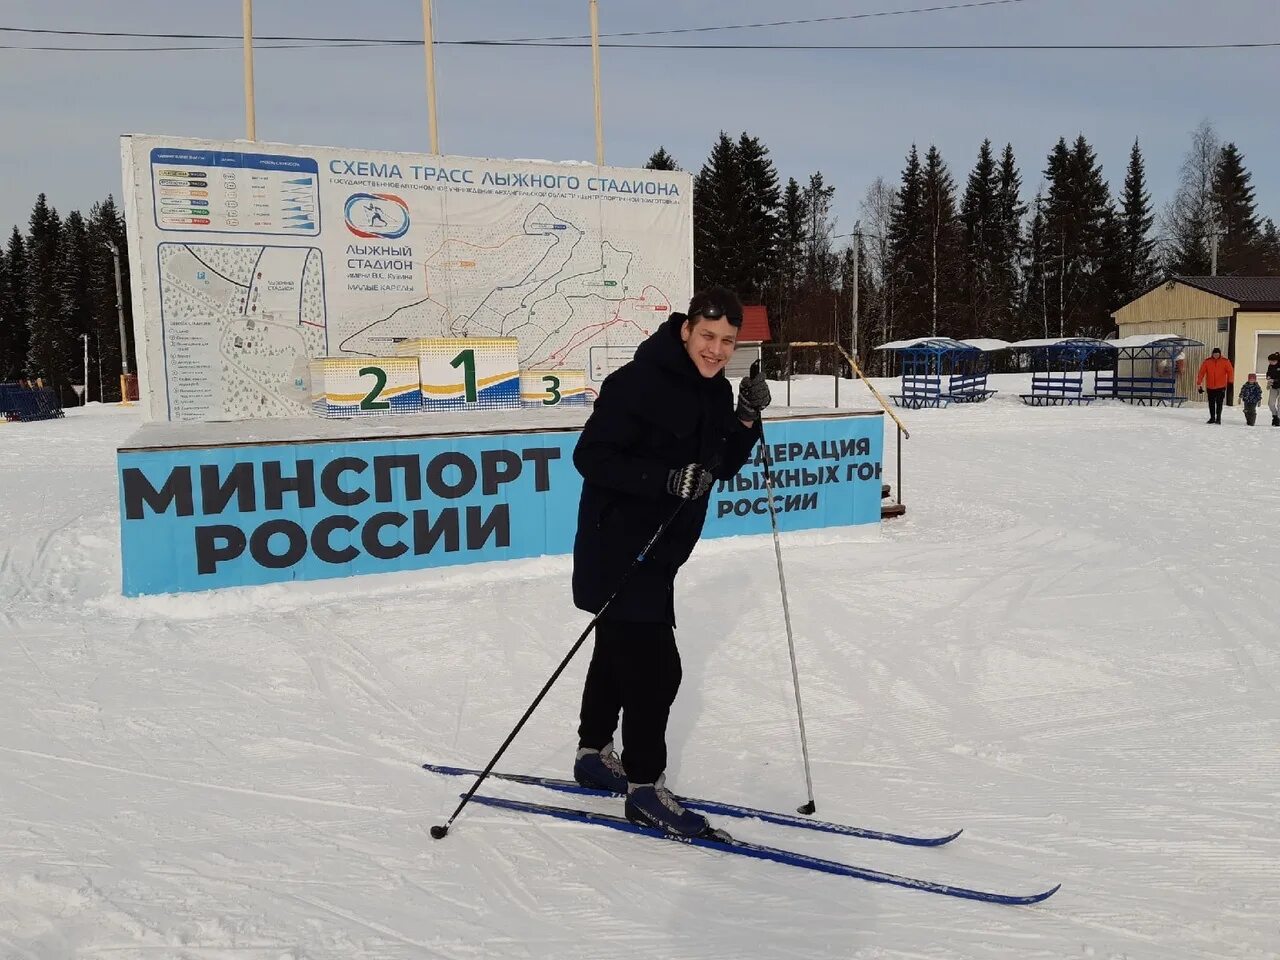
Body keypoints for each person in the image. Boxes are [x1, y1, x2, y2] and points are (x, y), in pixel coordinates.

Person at [570, 286, 771, 838]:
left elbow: (721, 465)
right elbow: (589, 456)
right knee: (658, 671)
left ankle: (592, 755)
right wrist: (660, 478)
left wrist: (747, 420)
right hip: (619, 551)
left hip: (660, 556)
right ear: (685, 329)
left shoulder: (712, 391)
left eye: (727, 342)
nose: (716, 350)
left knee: (615, 654)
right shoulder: (635, 383)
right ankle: (643, 789)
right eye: (707, 336)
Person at [1195, 347, 1234, 425]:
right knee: (1211, 403)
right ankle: (1212, 418)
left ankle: (1218, 418)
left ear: (1220, 354)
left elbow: (1230, 372)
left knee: (1219, 403)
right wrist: (1199, 383)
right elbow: (1201, 373)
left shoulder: (1225, 361)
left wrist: (1230, 382)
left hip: (1221, 387)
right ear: (1212, 354)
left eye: (1217, 354)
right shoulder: (1207, 362)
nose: (1216, 355)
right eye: (1214, 354)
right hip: (1210, 387)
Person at [1267, 352, 1280, 427]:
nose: (1270, 363)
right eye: (1269, 362)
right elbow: (1268, 373)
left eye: (1271, 361)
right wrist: (1268, 377)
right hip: (1273, 386)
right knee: (1271, 403)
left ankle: (1278, 418)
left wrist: (1274, 380)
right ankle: (1275, 416)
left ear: (1276, 360)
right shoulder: (1270, 366)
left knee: (1279, 404)